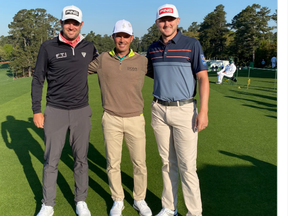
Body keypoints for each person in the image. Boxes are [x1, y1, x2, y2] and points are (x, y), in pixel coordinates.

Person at [31, 5, 98, 216]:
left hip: (81, 111)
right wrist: (36, 110)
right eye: (67, 22)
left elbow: (105, 67)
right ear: (61, 23)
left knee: (81, 158)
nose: (71, 26)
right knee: (51, 160)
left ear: (81, 25)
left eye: (75, 23)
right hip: (55, 110)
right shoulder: (48, 47)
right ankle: (48, 204)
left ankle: (80, 200)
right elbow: (37, 79)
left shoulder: (89, 47)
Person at [146, 4, 209, 216]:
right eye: (162, 20)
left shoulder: (191, 44)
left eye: (170, 19)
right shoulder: (153, 48)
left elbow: (202, 78)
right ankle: (168, 207)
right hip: (159, 110)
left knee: (187, 166)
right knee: (166, 163)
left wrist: (203, 111)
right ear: (157, 23)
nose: (167, 23)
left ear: (178, 21)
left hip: (185, 111)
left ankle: (194, 212)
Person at [88, 19, 152, 216]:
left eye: (126, 36)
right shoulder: (102, 60)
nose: (122, 40)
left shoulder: (142, 61)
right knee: (113, 163)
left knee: (139, 163)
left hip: (135, 118)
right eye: (118, 36)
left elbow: (164, 76)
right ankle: (118, 200)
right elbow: (76, 70)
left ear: (132, 38)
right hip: (111, 118)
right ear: (113, 37)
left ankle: (139, 199)